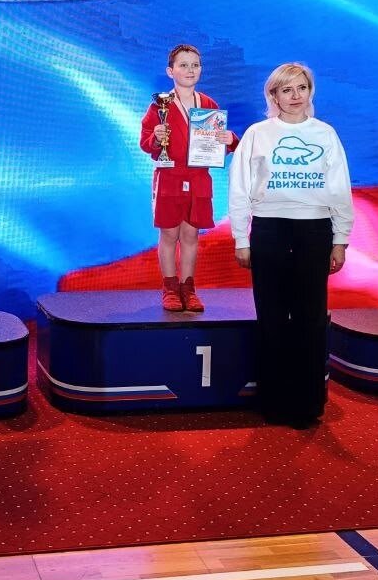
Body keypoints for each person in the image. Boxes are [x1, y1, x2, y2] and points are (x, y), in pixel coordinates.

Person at [228, 62, 353, 428]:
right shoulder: (257, 134)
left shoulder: (325, 134)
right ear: (274, 95)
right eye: (287, 89)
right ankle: (273, 402)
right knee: (271, 317)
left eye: (302, 88)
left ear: (310, 91)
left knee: (310, 318)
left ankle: (307, 404)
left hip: (315, 231)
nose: (295, 96)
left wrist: (340, 239)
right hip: (269, 230)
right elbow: (239, 189)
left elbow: (340, 189)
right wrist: (241, 238)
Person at [140, 43, 239, 312]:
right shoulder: (158, 106)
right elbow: (146, 143)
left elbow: (217, 147)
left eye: (195, 65)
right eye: (183, 65)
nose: (190, 70)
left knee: (191, 234)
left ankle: (188, 288)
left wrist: (229, 140)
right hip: (170, 176)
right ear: (170, 71)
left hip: (198, 179)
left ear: (201, 70)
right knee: (169, 233)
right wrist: (155, 137)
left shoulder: (209, 105)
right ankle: (170, 288)